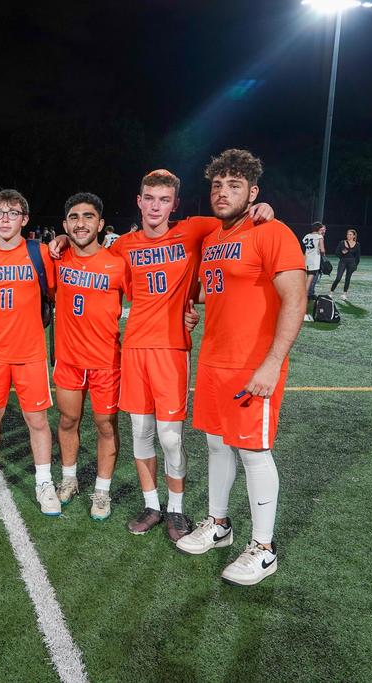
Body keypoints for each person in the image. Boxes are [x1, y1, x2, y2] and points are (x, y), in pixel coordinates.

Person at [102, 170, 274, 542]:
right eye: (150, 198)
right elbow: (89, 260)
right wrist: (62, 240)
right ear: (139, 201)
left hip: (171, 349)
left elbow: (234, 221)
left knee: (169, 437)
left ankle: (177, 509)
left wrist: (261, 207)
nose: (155, 206)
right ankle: (152, 505)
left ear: (175, 204)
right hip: (134, 348)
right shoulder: (122, 246)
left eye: (164, 200)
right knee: (140, 432)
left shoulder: (194, 229)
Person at [179, 149, 306, 586]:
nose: (222, 192)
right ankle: (219, 524)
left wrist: (273, 363)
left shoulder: (271, 231)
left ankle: (264, 549)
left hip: (253, 365)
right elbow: (216, 289)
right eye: (217, 185)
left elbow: (295, 299)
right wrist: (193, 310)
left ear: (253, 193)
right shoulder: (213, 238)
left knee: (254, 452)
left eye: (234, 185)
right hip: (214, 361)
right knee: (217, 445)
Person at [0, 189, 60, 515]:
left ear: (25, 219)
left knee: (37, 419)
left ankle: (44, 481)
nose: (5, 219)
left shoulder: (40, 252)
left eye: (13, 213)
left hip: (30, 353)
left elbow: (55, 293)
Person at [52, 192, 128, 520]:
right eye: (74, 217)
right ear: (65, 224)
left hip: (106, 362)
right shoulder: (57, 258)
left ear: (100, 223)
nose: (80, 223)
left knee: (105, 426)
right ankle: (69, 479)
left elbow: (148, 299)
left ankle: (102, 490)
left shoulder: (118, 263)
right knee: (68, 420)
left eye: (88, 216)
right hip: (69, 360)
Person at [329, 228, 360, 300]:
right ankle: (331, 293)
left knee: (347, 278)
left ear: (354, 236)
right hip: (343, 261)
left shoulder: (357, 244)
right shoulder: (342, 242)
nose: (348, 236)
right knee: (338, 278)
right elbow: (336, 252)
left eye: (350, 234)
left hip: (352, 263)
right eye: (348, 234)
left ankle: (344, 294)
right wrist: (342, 254)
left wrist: (355, 265)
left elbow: (358, 256)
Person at [302, 222, 326, 300]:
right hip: (314, 261)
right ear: (318, 229)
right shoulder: (319, 236)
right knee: (309, 281)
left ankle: (304, 294)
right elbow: (322, 250)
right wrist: (322, 253)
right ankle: (304, 297)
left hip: (306, 259)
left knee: (305, 279)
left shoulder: (307, 236)